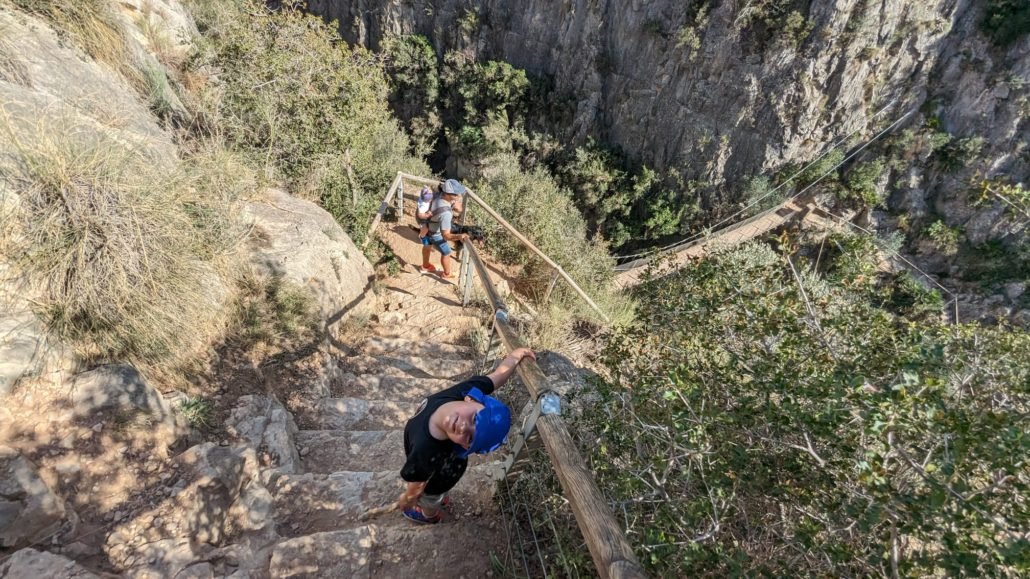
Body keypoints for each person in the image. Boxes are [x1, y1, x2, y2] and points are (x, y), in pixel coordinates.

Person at [398, 347, 537, 524]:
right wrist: (515, 356)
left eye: (470, 438)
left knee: (430, 498)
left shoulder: (426, 451)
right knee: (439, 491)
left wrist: (408, 499)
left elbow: (416, 487)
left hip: (438, 479)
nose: (464, 427)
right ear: (472, 398)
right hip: (449, 467)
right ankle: (442, 498)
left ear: (466, 447)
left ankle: (430, 516)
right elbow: (497, 376)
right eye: (473, 418)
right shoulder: (466, 390)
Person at [420, 179, 469, 279]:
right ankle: (447, 274)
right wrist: (459, 236)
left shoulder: (437, 195)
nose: (458, 196)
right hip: (435, 234)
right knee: (446, 252)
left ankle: (425, 267)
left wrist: (452, 203)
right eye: (455, 195)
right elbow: (446, 236)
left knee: (427, 247)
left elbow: (457, 208)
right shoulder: (446, 214)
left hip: (425, 228)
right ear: (447, 194)